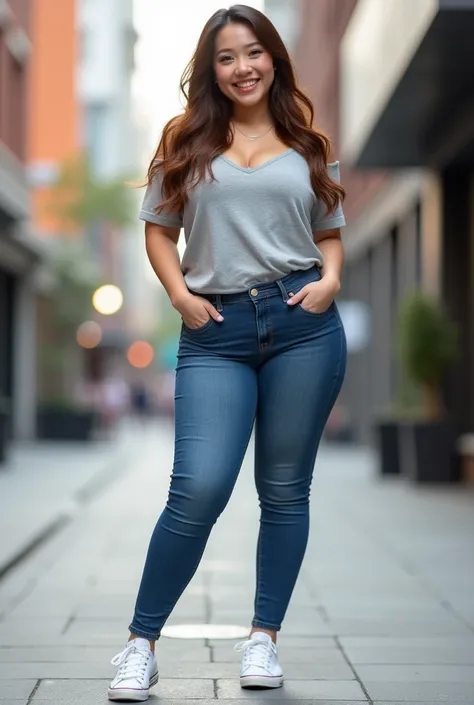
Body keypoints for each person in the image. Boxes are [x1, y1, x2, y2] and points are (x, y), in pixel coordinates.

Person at [108, 5, 347, 701]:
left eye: (253, 53)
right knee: (200, 486)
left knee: (284, 488)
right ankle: (139, 644)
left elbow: (328, 229)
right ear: (210, 69)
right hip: (216, 329)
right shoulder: (187, 140)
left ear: (274, 57)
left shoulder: (308, 143)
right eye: (226, 57)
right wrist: (180, 295)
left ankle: (263, 640)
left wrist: (330, 281)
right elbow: (158, 229)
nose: (242, 67)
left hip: (304, 322)